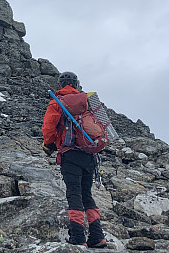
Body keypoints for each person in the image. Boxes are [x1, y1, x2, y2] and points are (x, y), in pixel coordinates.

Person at [41, 71, 107, 248]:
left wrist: (48, 145)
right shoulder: (86, 101)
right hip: (90, 154)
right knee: (87, 194)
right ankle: (97, 236)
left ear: (60, 85)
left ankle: (78, 237)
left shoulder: (57, 102)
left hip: (70, 155)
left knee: (74, 194)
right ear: (76, 84)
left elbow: (48, 128)